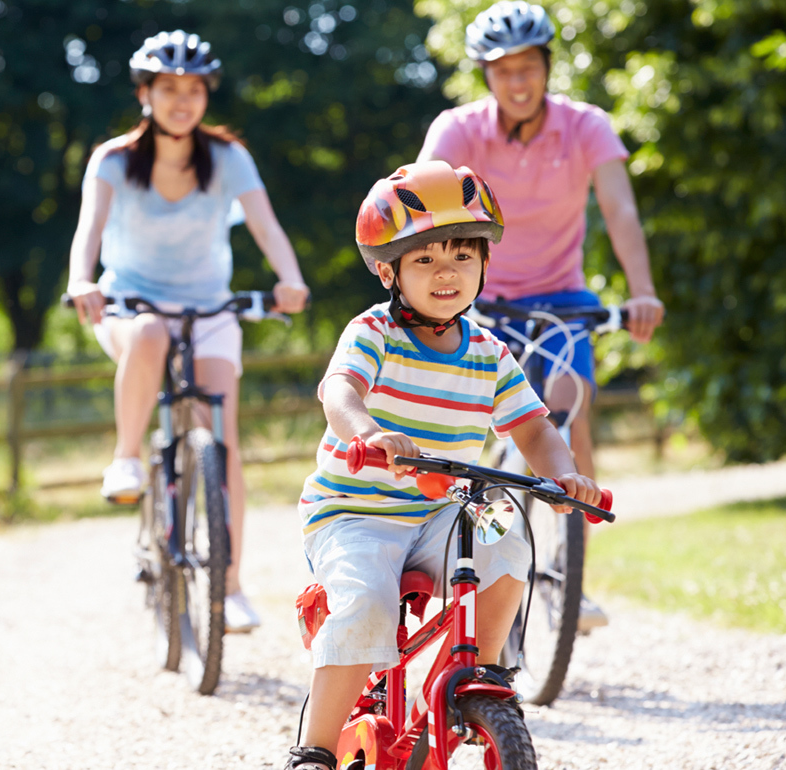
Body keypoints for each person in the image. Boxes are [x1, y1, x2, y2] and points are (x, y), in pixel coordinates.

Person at [284, 161, 601, 770]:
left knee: (508, 535)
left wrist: (563, 474)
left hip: (442, 511)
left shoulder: (488, 352)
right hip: (356, 513)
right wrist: (370, 433)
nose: (446, 271)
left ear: (485, 263)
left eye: (462, 254)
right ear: (389, 271)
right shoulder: (373, 331)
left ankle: (479, 674)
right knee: (365, 604)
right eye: (424, 259)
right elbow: (339, 393)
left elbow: (534, 427)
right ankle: (315, 750)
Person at [417, 0, 664, 631]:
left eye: (529, 67)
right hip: (482, 300)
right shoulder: (459, 129)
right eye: (504, 71)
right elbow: (423, 202)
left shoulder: (585, 127)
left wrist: (641, 290)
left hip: (561, 298)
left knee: (567, 402)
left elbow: (621, 212)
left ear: (547, 67)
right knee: (478, 434)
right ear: (485, 76)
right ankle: (490, 552)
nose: (518, 82)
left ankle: (567, 575)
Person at [66, 30, 309, 633]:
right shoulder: (115, 160)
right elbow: (88, 231)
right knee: (148, 334)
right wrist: (81, 280)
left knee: (220, 437)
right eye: (168, 88)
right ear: (145, 93)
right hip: (130, 305)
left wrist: (290, 278)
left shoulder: (228, 158)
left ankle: (230, 587)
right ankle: (126, 459)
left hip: (209, 310)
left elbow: (267, 226)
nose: (182, 101)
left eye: (194, 90)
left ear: (206, 96)